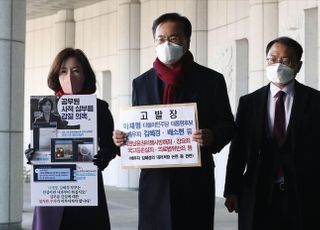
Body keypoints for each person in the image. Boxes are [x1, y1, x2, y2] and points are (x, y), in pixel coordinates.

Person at [113, 13, 235, 230]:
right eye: (161, 39)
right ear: (154, 42)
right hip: (154, 181)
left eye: (174, 38)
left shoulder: (211, 80)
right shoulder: (141, 83)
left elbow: (228, 124)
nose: (166, 44)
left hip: (195, 179)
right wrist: (123, 138)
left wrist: (212, 136)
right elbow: (136, 128)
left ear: (187, 41)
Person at [224, 36, 320, 230]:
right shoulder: (249, 103)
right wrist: (231, 190)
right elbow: (239, 148)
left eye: (285, 60)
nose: (278, 65)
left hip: (303, 193)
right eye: (272, 59)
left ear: (298, 66)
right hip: (258, 193)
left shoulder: (315, 101)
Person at [25, 48, 119, 230]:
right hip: (53, 189)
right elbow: (41, 145)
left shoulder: (98, 108)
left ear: (85, 74)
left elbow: (109, 146)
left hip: (86, 186)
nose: (70, 76)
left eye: (76, 70)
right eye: (63, 71)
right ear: (56, 76)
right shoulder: (47, 107)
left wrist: (103, 158)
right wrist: (32, 153)